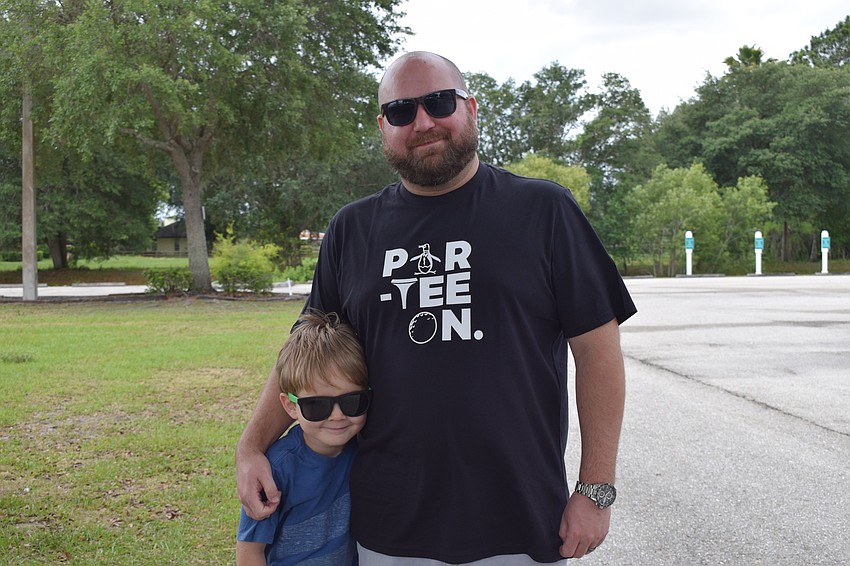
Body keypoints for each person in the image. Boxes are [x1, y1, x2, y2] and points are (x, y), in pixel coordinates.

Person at [237, 51, 637, 564]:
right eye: (402, 111)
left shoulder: (544, 211)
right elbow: (303, 354)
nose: (422, 122)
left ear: (470, 107)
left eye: (439, 103)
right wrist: (251, 447)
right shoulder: (352, 230)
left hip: (521, 521)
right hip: (387, 528)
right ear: (384, 127)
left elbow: (599, 353)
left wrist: (595, 489)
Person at [236, 310, 371, 565]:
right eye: (317, 405)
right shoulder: (277, 469)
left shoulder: (365, 449)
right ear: (290, 407)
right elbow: (250, 551)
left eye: (353, 401)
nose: (337, 415)